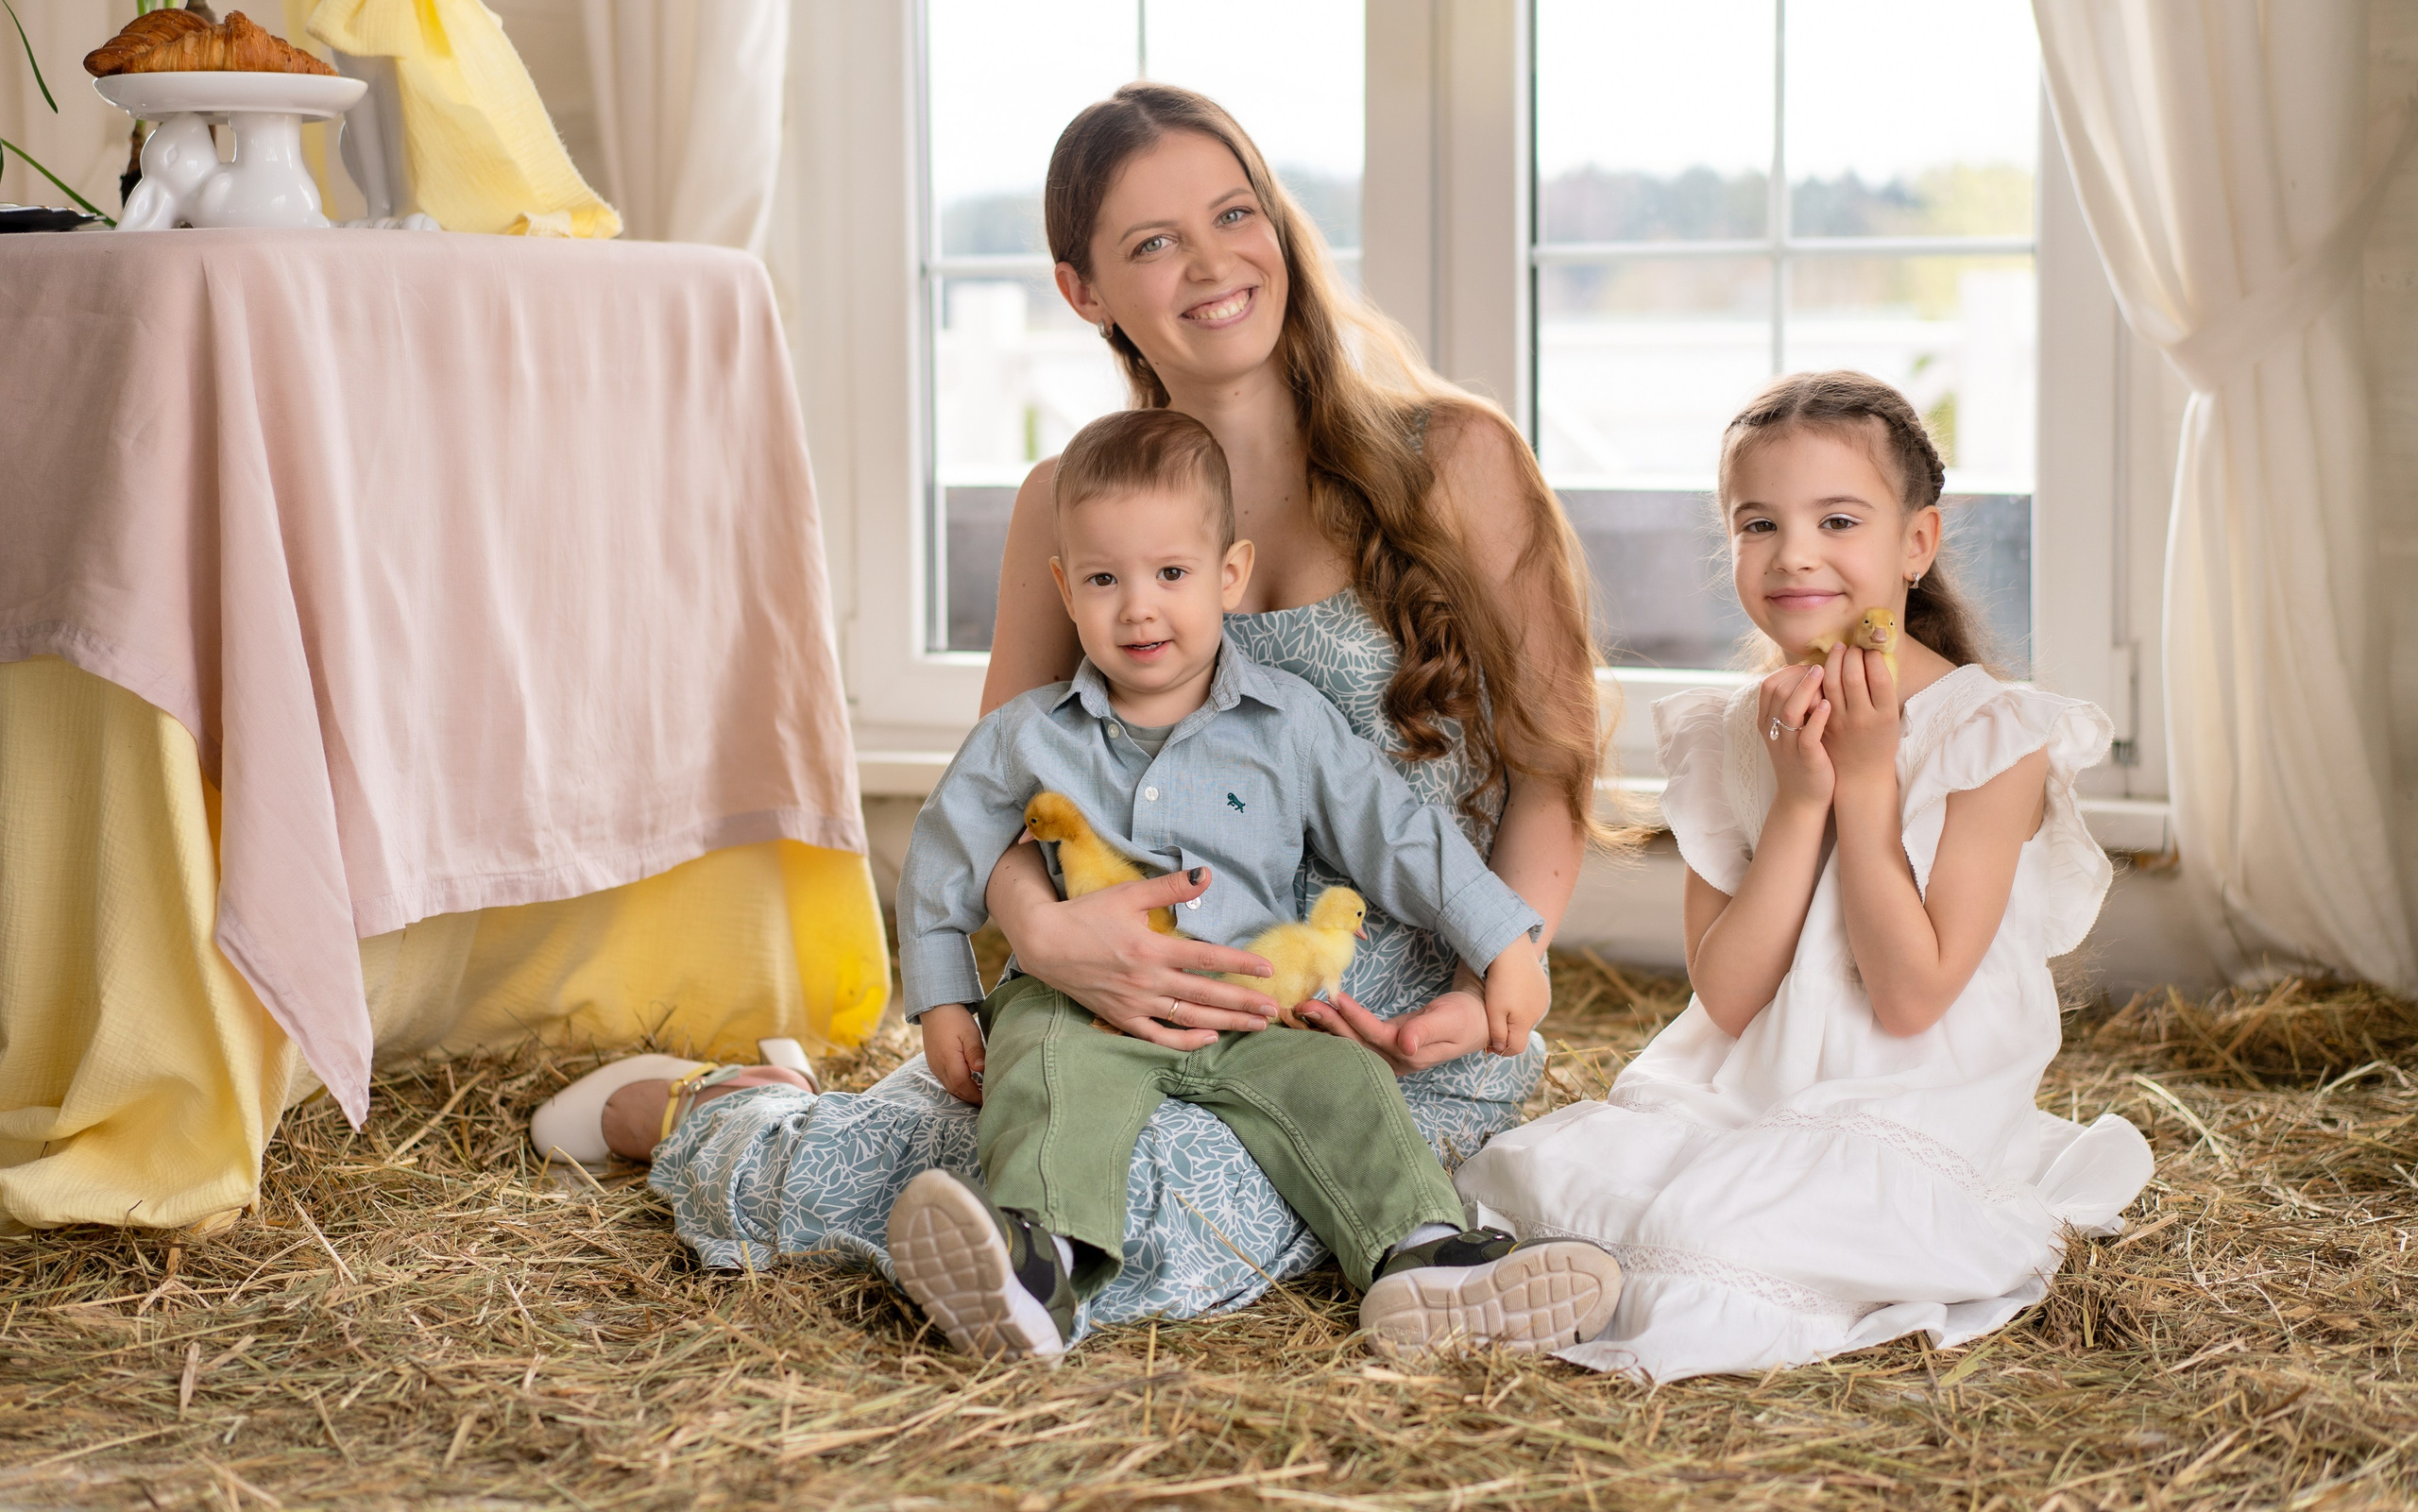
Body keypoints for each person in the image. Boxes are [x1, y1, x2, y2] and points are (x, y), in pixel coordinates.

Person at [543, 83, 1606, 1350]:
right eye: (1154, 243)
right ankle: (705, 1106)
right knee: (979, 1153)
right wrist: (1045, 937)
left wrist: (1500, 993)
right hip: (1121, 988)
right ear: (1084, 289)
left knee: (1157, 1202)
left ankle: (1414, 1261)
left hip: (1386, 1018)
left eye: (1234, 213)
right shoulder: (1067, 505)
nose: (1213, 263)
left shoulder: (1457, 457)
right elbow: (996, 792)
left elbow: (1555, 763)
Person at [1452, 370, 2155, 1382]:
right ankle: (1510, 1295)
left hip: (1906, 1095)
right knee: (1554, 1181)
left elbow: (1913, 999)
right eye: (1756, 524)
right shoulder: (1732, 734)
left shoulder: (1989, 733)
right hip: (1746, 1082)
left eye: (1837, 519)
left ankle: (1591, 1300)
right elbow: (1729, 997)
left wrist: (1864, 787)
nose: (1793, 555)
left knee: (1718, 1232)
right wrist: (1794, 800)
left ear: (1916, 543)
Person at [882, 407, 1616, 1363]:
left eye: (1171, 575)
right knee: (1046, 1076)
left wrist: (1501, 944)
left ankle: (1423, 1259)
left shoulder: (1289, 724)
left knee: (1347, 1082)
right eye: (1104, 580)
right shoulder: (1027, 737)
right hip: (1087, 1006)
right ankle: (1036, 1266)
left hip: (1252, 1012)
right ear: (1064, 590)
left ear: (1229, 575)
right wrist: (943, 999)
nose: (1138, 608)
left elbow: (1399, 837)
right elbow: (944, 852)